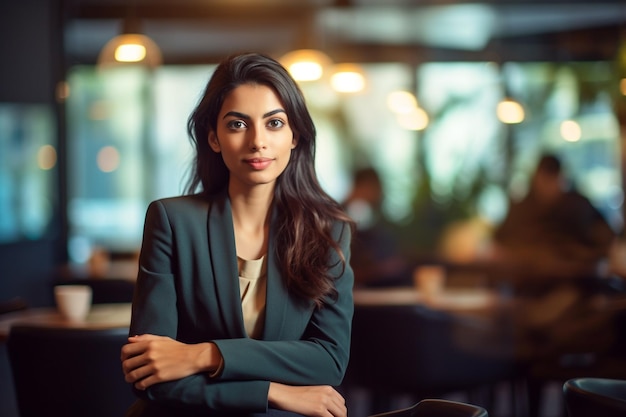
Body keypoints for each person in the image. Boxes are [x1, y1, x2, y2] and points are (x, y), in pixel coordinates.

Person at [120, 52, 355, 417]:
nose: (257, 141)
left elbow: (328, 360)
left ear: (295, 136)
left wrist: (203, 354)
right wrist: (272, 392)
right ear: (214, 138)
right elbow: (148, 371)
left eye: (274, 123)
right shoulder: (172, 220)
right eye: (237, 125)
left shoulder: (328, 231)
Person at [342, 167, 411, 287]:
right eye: (372, 187)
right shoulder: (343, 216)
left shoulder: (377, 217)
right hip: (360, 285)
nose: (378, 192)